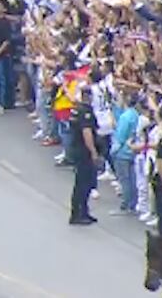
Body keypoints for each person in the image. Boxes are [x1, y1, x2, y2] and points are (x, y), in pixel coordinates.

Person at [68, 86, 101, 225]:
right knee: (83, 183)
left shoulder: (76, 109)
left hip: (76, 148)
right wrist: (93, 152)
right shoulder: (85, 112)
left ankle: (83, 211)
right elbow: (87, 133)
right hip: (84, 151)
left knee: (82, 182)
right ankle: (78, 213)